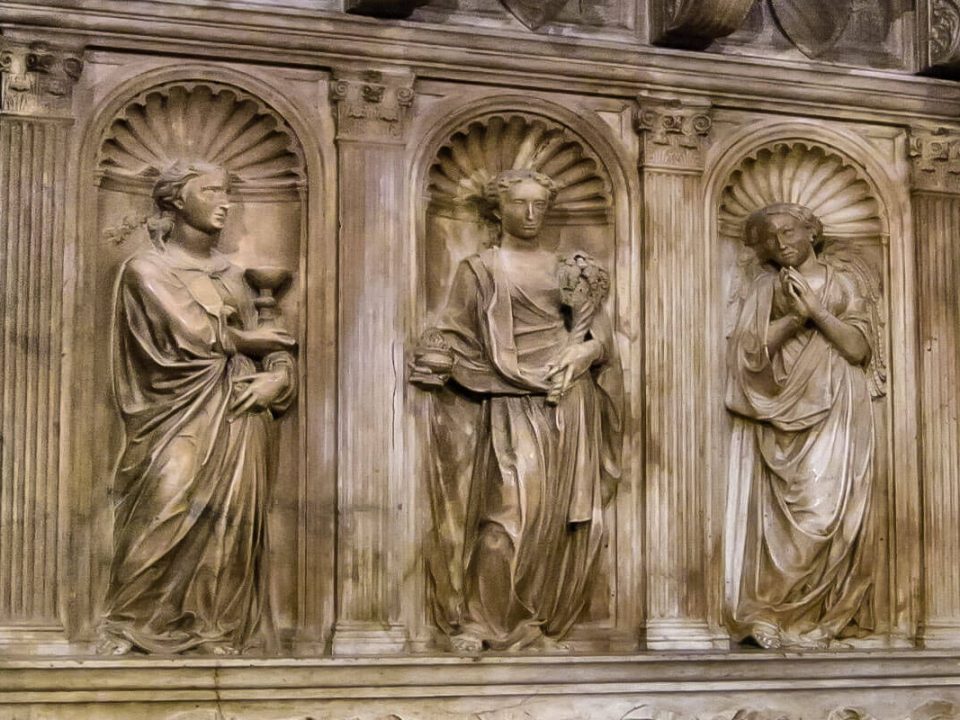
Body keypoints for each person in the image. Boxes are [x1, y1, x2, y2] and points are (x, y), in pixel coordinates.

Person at [410, 169, 622, 652]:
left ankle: (533, 622)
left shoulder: (568, 268)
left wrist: (586, 351)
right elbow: (455, 332)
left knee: (553, 520)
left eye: (539, 205)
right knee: (507, 516)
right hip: (508, 402)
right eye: (520, 203)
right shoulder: (480, 270)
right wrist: (437, 356)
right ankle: (483, 621)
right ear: (498, 208)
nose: (530, 214)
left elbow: (601, 338)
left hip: (568, 403)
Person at [98, 161, 297, 655]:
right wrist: (247, 341)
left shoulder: (234, 277)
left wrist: (278, 378)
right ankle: (132, 622)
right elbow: (190, 335)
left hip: (240, 412)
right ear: (176, 200)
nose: (224, 202)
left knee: (229, 522)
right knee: (167, 502)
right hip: (175, 412)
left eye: (226, 191)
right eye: (210, 191)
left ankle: (211, 626)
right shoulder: (147, 270)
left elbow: (273, 347)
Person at [725, 202, 882, 650]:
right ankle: (767, 611)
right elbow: (750, 355)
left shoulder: (843, 282)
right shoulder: (764, 288)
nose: (782, 243)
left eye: (789, 231)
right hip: (780, 408)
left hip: (839, 406)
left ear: (810, 232)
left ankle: (816, 616)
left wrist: (816, 311)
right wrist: (795, 318)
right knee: (791, 518)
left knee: (826, 511)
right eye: (772, 237)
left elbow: (858, 349)